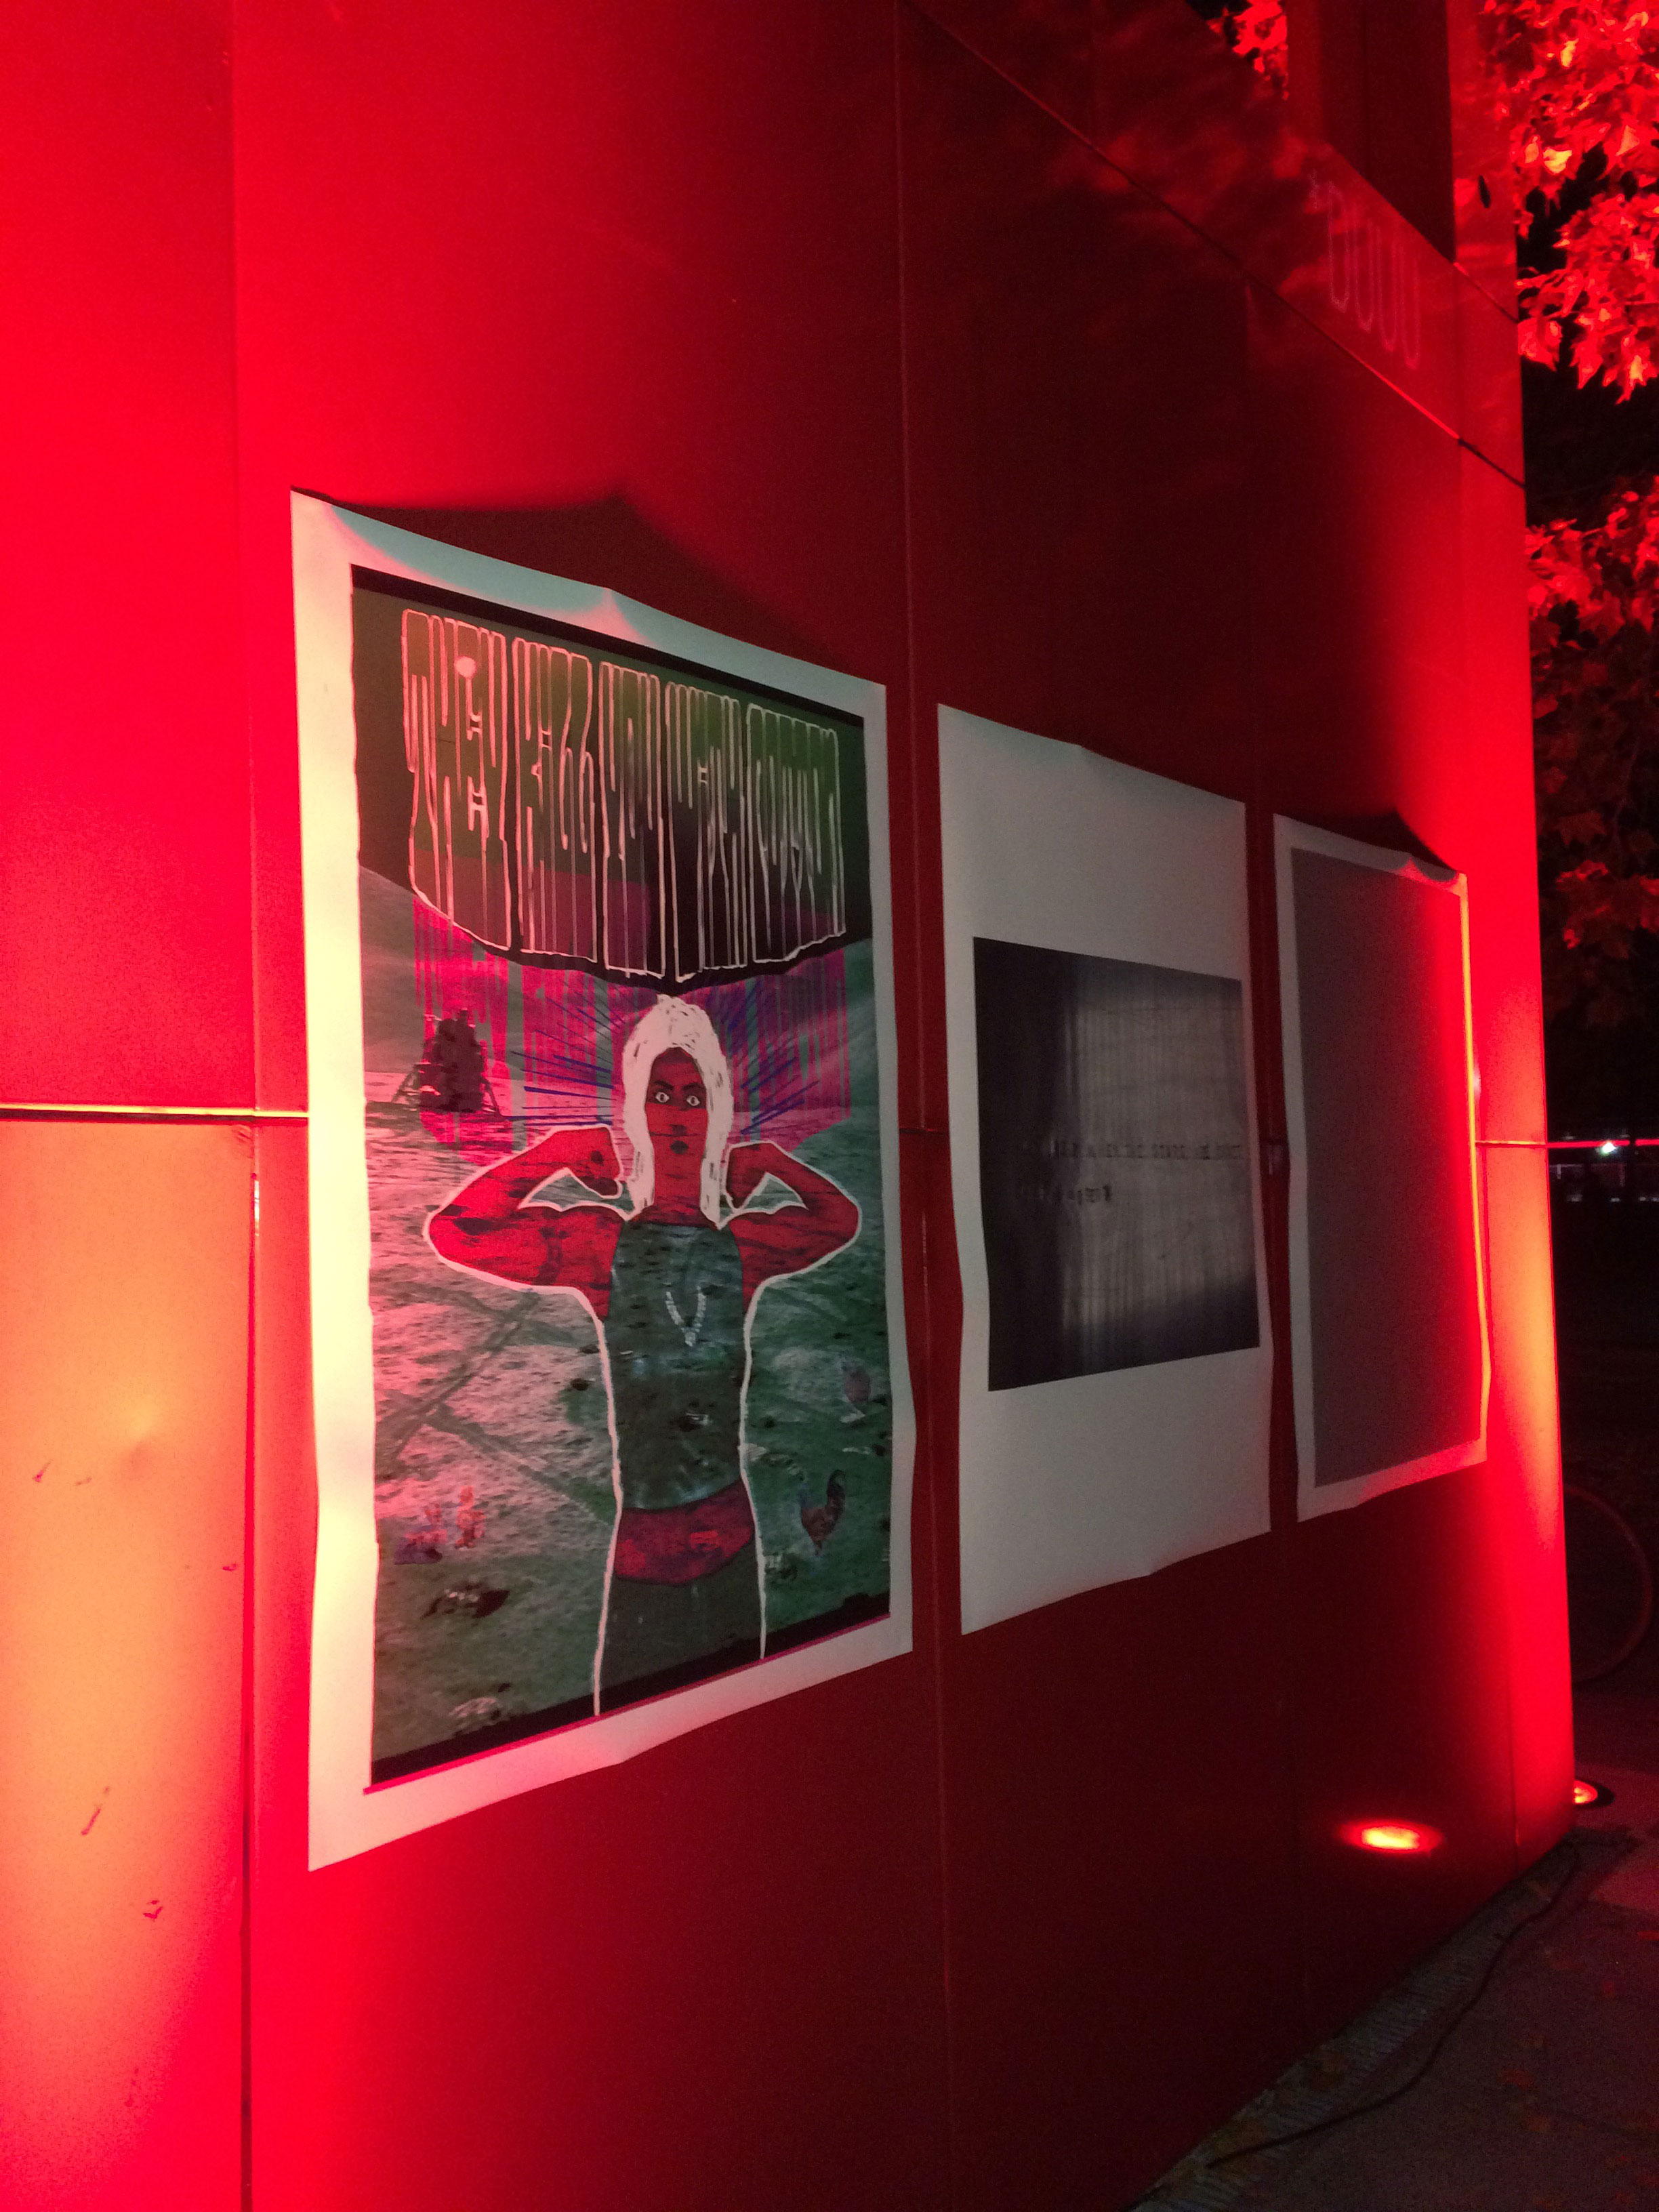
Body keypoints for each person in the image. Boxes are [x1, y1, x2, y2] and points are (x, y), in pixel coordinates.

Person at [427, 996, 859, 1712]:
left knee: (735, 1727)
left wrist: (773, 1161)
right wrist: (555, 1153)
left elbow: (838, 1221)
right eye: (661, 1095)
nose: (679, 1115)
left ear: (716, 1113)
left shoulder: (742, 1249)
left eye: (695, 1096)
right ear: (636, 1113)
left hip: (730, 1546)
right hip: (646, 1559)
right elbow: (458, 1232)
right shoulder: (601, 1246)